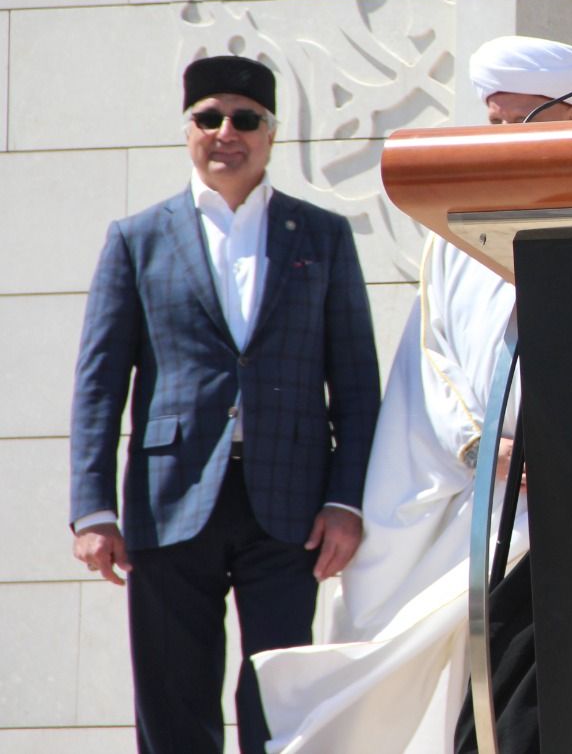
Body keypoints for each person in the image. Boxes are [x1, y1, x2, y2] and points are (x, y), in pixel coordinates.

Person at [250, 37, 572, 753]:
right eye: (493, 123)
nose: (499, 140)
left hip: (569, 508)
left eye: (518, 123)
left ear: (570, 119)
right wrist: (483, 447)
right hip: (470, 499)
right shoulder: (458, 228)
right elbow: (430, 363)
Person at [70, 55, 381, 754]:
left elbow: (357, 384)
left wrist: (347, 500)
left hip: (291, 509)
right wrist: (93, 507)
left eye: (245, 119)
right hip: (168, 500)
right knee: (173, 702)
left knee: (282, 701)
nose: (225, 132)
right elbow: (98, 383)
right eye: (208, 118)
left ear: (271, 134)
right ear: (187, 130)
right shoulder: (138, 239)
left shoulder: (322, 238)